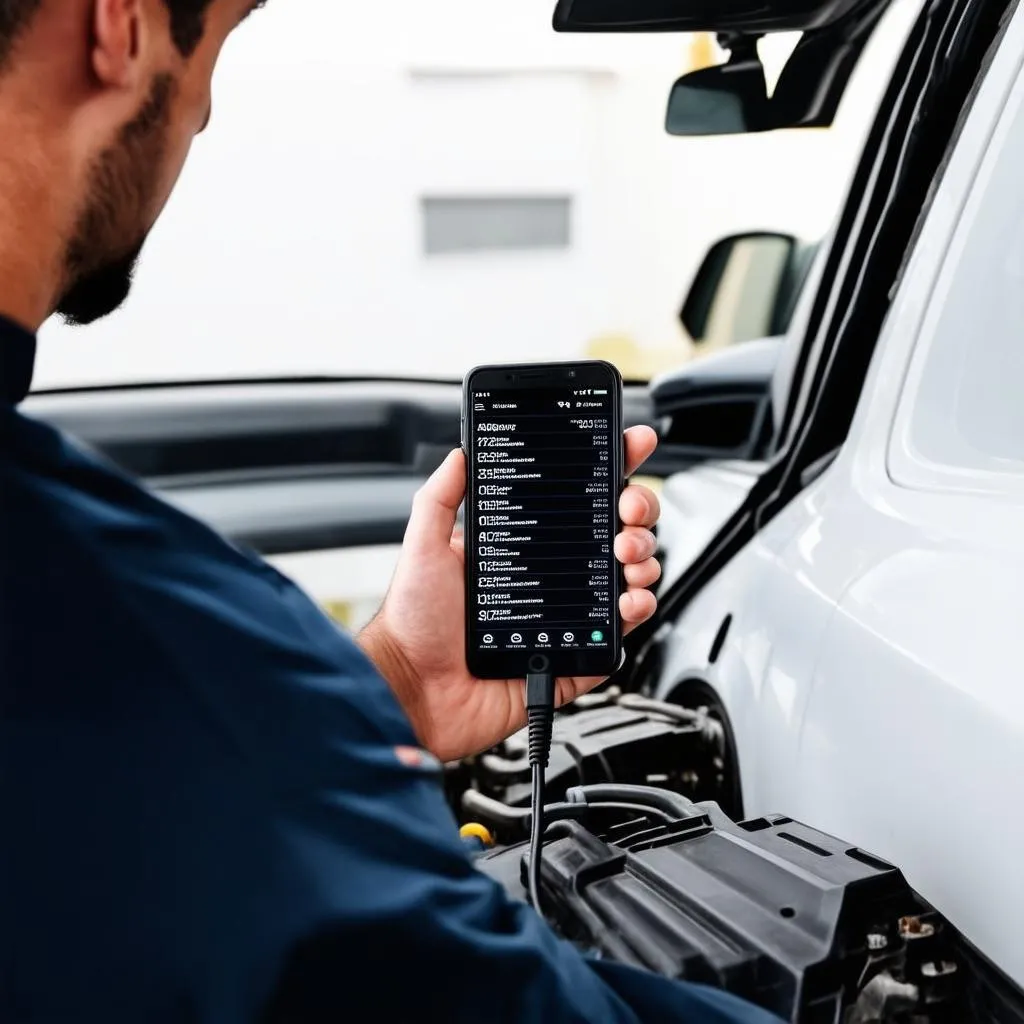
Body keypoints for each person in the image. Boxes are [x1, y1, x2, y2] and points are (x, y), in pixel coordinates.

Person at [0, 3, 783, 1022]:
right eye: (218, 51)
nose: (200, 118)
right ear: (120, 26)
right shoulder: (149, 661)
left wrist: (402, 677)